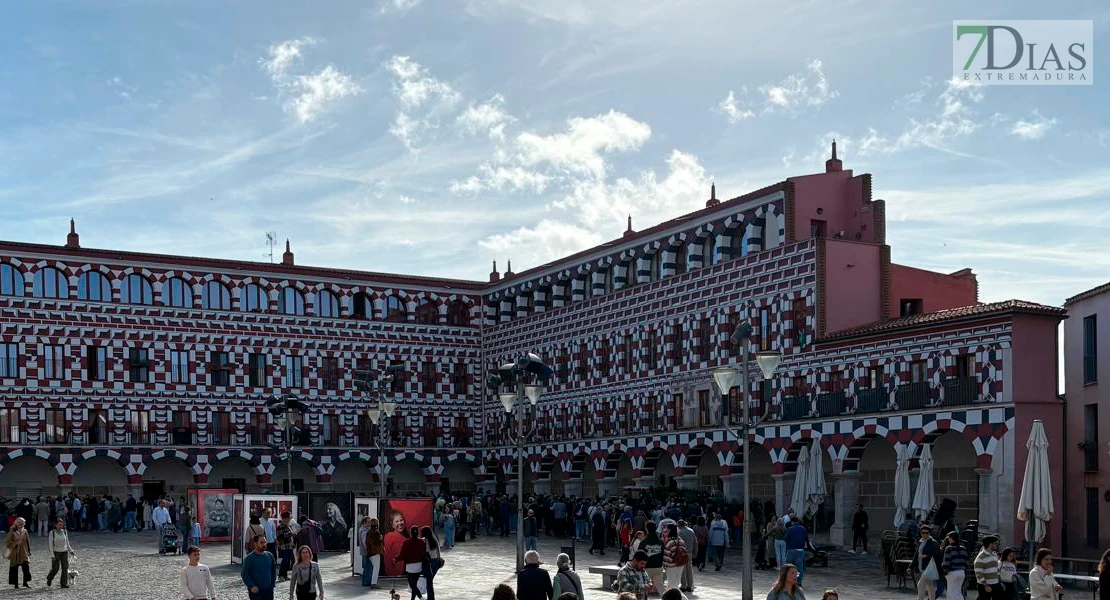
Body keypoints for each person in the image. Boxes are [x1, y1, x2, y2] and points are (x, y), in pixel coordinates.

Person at [241, 534, 277, 600]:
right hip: (256, 591)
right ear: (255, 544)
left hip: (268, 590)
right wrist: (251, 586)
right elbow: (244, 573)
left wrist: (272, 584)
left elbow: (273, 571)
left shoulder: (270, 556)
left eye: (265, 542)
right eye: (261, 542)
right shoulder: (249, 558)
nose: (264, 544)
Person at [396, 525, 426, 600]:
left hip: (409, 566)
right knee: (414, 584)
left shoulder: (406, 542)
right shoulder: (422, 542)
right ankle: (413, 599)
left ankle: (420, 597)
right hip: (419, 566)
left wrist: (396, 559)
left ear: (411, 533)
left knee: (412, 585)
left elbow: (402, 554)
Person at [912, 526, 941, 600]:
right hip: (922, 566)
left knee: (920, 585)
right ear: (921, 533)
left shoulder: (933, 542)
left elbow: (937, 555)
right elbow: (916, 555)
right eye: (923, 533)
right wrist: (910, 566)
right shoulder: (920, 542)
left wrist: (926, 556)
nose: (925, 534)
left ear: (929, 533)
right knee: (930, 586)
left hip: (930, 567)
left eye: (926, 533)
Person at [45, 518, 75, 589]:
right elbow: (50, 545)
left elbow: (67, 542)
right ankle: (49, 578)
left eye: (62, 524)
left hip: (64, 552)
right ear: (55, 525)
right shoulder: (52, 533)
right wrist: (52, 555)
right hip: (56, 552)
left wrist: (71, 551)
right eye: (59, 524)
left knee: (65, 568)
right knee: (55, 568)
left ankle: (63, 583)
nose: (61, 526)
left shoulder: (64, 531)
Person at [941, 531, 969, 600]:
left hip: (952, 572)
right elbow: (966, 562)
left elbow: (946, 563)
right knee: (958, 593)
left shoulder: (949, 548)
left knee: (951, 593)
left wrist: (944, 572)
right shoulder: (963, 548)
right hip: (961, 572)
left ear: (951, 538)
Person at [5, 517, 31, 589]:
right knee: (14, 569)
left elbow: (28, 542)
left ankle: (25, 582)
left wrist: (29, 551)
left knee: (26, 568)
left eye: (22, 523)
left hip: (24, 552)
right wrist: (15, 544)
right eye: (20, 523)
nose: (21, 525)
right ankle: (16, 584)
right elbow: (7, 543)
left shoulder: (25, 531)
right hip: (15, 552)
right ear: (16, 523)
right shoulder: (12, 531)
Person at [641, 521, 665, 595]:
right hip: (658, 567)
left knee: (644, 589)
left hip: (646, 568)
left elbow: (640, 555)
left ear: (646, 529)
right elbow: (663, 554)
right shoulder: (661, 542)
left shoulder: (644, 542)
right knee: (661, 589)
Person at [663, 523, 688, 592]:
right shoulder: (680, 540)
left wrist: (664, 565)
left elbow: (666, 555)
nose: (666, 531)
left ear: (670, 530)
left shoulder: (669, 541)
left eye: (667, 530)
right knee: (675, 585)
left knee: (673, 586)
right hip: (680, 564)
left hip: (671, 566)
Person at [974, 535, 1001, 600]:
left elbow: (996, 570)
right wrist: (985, 585)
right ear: (990, 544)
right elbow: (978, 573)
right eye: (995, 543)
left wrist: (1000, 582)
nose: (997, 545)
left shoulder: (994, 554)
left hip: (995, 584)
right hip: (985, 586)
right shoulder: (980, 557)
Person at [383, 510, 408, 578]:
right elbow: (387, 555)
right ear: (392, 524)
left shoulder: (405, 538)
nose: (400, 523)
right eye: (397, 521)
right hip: (394, 571)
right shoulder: (389, 536)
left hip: (401, 571)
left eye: (401, 520)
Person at [784, 518, 808, 586]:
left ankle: (787, 580)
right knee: (799, 567)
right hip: (800, 550)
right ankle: (799, 582)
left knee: (788, 566)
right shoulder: (803, 529)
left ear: (792, 522)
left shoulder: (790, 529)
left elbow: (786, 538)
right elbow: (806, 538)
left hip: (791, 549)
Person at [676, 520, 697, 592]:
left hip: (682, 552)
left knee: (683, 569)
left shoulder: (679, 532)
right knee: (689, 569)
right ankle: (690, 585)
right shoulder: (691, 531)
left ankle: (683, 585)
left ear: (679, 525)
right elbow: (695, 542)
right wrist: (695, 553)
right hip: (690, 552)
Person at [421, 526, 440, 600]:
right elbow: (438, 552)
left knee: (429, 582)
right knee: (430, 582)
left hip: (429, 562)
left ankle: (431, 598)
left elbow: (425, 552)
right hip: (436, 562)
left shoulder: (424, 541)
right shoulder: (434, 540)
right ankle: (430, 597)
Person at [364, 518, 383, 589]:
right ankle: (374, 583)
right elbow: (377, 541)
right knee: (376, 567)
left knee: (373, 567)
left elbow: (367, 542)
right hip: (375, 552)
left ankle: (373, 582)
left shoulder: (368, 532)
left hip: (370, 552)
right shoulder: (376, 532)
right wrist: (381, 538)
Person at [277, 512, 296, 582]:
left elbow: (290, 536)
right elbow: (280, 537)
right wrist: (289, 534)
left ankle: (285, 575)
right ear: (285, 518)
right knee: (284, 561)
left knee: (288, 562)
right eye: (289, 517)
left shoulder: (288, 526)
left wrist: (293, 542)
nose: (290, 519)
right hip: (284, 546)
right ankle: (280, 575)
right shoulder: (280, 526)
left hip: (289, 546)